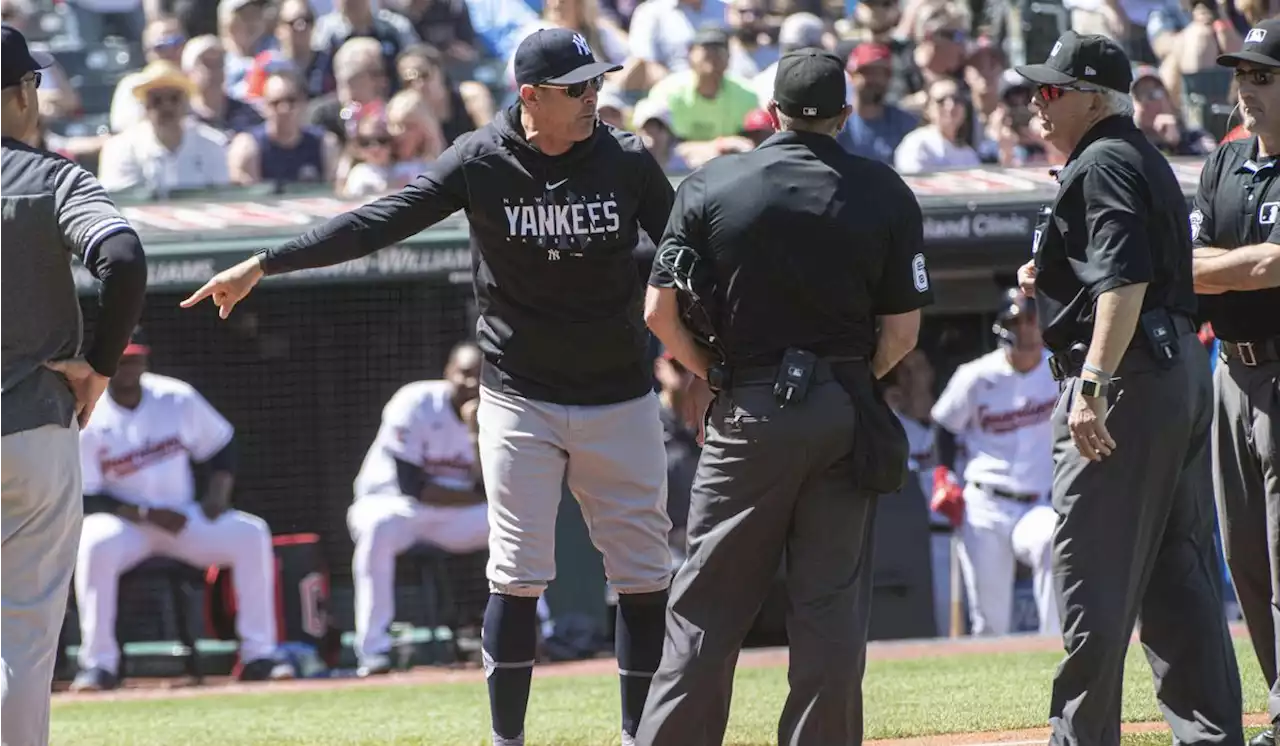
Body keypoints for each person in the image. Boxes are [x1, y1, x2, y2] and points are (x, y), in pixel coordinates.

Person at [180, 27, 676, 746]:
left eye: (598, 82)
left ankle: (641, 737)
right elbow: (379, 222)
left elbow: (684, 245)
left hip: (619, 392)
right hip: (522, 395)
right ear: (529, 96)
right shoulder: (482, 159)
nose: (594, 97)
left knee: (641, 575)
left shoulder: (626, 158)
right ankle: (508, 740)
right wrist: (266, 262)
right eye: (578, 88)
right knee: (517, 573)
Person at [637, 48, 934, 746]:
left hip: (750, 403)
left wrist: (713, 370)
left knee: (706, 606)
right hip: (841, 403)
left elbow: (658, 313)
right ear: (842, 112)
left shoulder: (713, 183)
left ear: (772, 110)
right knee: (829, 611)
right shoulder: (883, 189)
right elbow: (903, 332)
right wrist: (852, 377)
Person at [1014, 30, 1244, 746]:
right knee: (1178, 581)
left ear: (1092, 98)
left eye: (1051, 91)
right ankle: (1210, 736)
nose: (1036, 103)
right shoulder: (1130, 155)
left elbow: (1126, 277)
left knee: (1094, 579)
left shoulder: (1106, 158)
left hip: (1128, 383)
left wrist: (1092, 384)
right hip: (1171, 373)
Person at [0, 24, 148, 746]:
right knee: (22, 635)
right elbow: (121, 256)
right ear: (23, 91)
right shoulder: (52, 176)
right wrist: (100, 362)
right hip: (30, 424)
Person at [70, 330, 296, 692]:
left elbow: (222, 445)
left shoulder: (175, 397)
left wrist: (218, 495)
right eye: (120, 361)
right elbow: (89, 496)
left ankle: (260, 656)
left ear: (145, 361)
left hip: (182, 518)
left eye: (134, 360)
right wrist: (145, 513)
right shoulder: (88, 410)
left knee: (250, 533)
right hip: (126, 525)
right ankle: (99, 666)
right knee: (93, 545)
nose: (128, 368)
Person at [1189, 18, 1280, 746]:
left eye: (1262, 76)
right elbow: (1191, 262)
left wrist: (1230, 265)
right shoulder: (1225, 163)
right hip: (1231, 370)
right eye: (1241, 74)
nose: (1245, 88)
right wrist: (1237, 264)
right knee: (1243, 555)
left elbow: (1266, 267)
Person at [347, 341, 490, 677]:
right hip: (394, 507)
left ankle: (540, 632)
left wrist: (474, 434)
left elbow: (494, 489)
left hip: (455, 517)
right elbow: (415, 487)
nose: (471, 384)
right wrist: (477, 495)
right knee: (377, 528)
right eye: (465, 374)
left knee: (515, 524)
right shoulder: (415, 402)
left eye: (480, 377)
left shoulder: (495, 412)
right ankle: (373, 651)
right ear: (447, 374)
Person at [929, 288, 1060, 637]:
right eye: (1018, 321)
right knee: (990, 622)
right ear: (1003, 326)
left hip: (1037, 502)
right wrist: (944, 477)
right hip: (985, 505)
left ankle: (1053, 646)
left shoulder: (1057, 369)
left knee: (1051, 541)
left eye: (1032, 319)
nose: (1027, 329)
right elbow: (943, 423)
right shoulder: (976, 375)